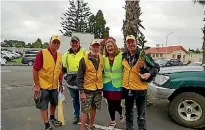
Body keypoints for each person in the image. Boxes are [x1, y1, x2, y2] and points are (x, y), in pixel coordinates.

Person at [122, 35, 160, 130]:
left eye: (132, 42)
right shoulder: (123, 56)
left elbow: (156, 67)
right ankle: (129, 128)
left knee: (141, 115)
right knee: (128, 112)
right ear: (126, 44)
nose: (131, 44)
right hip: (127, 88)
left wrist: (149, 74)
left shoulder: (143, 55)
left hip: (140, 90)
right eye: (128, 42)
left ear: (136, 42)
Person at [33, 35, 63, 130]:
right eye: (54, 42)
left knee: (54, 103)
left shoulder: (59, 55)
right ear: (50, 43)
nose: (56, 44)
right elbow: (35, 69)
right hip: (43, 85)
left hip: (54, 86)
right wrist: (37, 85)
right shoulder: (42, 53)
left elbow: (60, 71)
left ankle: (52, 117)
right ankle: (47, 125)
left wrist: (61, 84)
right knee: (44, 105)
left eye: (58, 43)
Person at [77, 40, 104, 130]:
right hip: (87, 89)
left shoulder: (102, 58)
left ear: (100, 48)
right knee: (85, 110)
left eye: (97, 46)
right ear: (90, 47)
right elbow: (79, 77)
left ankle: (91, 124)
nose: (95, 48)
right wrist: (81, 92)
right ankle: (82, 128)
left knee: (94, 107)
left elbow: (102, 72)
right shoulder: (83, 60)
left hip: (98, 89)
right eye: (94, 46)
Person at [62, 36, 88, 124]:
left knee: (84, 100)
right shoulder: (66, 55)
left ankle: (86, 115)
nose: (74, 44)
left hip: (83, 82)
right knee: (75, 100)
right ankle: (76, 116)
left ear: (79, 43)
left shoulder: (85, 53)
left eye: (76, 42)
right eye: (73, 42)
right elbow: (63, 68)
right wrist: (66, 77)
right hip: (71, 83)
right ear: (70, 44)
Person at [102, 37, 124, 130]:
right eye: (108, 47)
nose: (110, 48)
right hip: (107, 84)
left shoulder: (121, 56)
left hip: (118, 85)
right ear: (106, 49)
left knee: (117, 104)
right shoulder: (103, 58)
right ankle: (112, 121)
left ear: (114, 47)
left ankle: (121, 112)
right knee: (110, 104)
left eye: (111, 46)